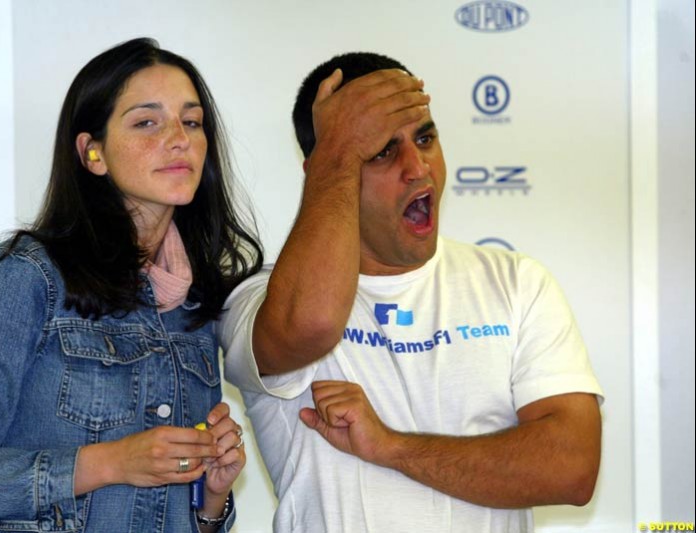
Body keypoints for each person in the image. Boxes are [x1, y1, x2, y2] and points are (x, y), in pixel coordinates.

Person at [218, 52, 603, 532]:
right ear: (325, 166)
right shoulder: (260, 299)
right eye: (380, 150)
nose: (417, 167)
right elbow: (311, 325)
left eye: (425, 137)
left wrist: (391, 446)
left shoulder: (516, 282)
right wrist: (336, 150)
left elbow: (571, 467)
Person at [0, 37, 263, 532]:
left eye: (192, 121)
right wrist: (110, 462)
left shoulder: (197, 303)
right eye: (147, 122)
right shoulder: (17, 279)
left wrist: (210, 499)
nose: (179, 138)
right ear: (93, 153)